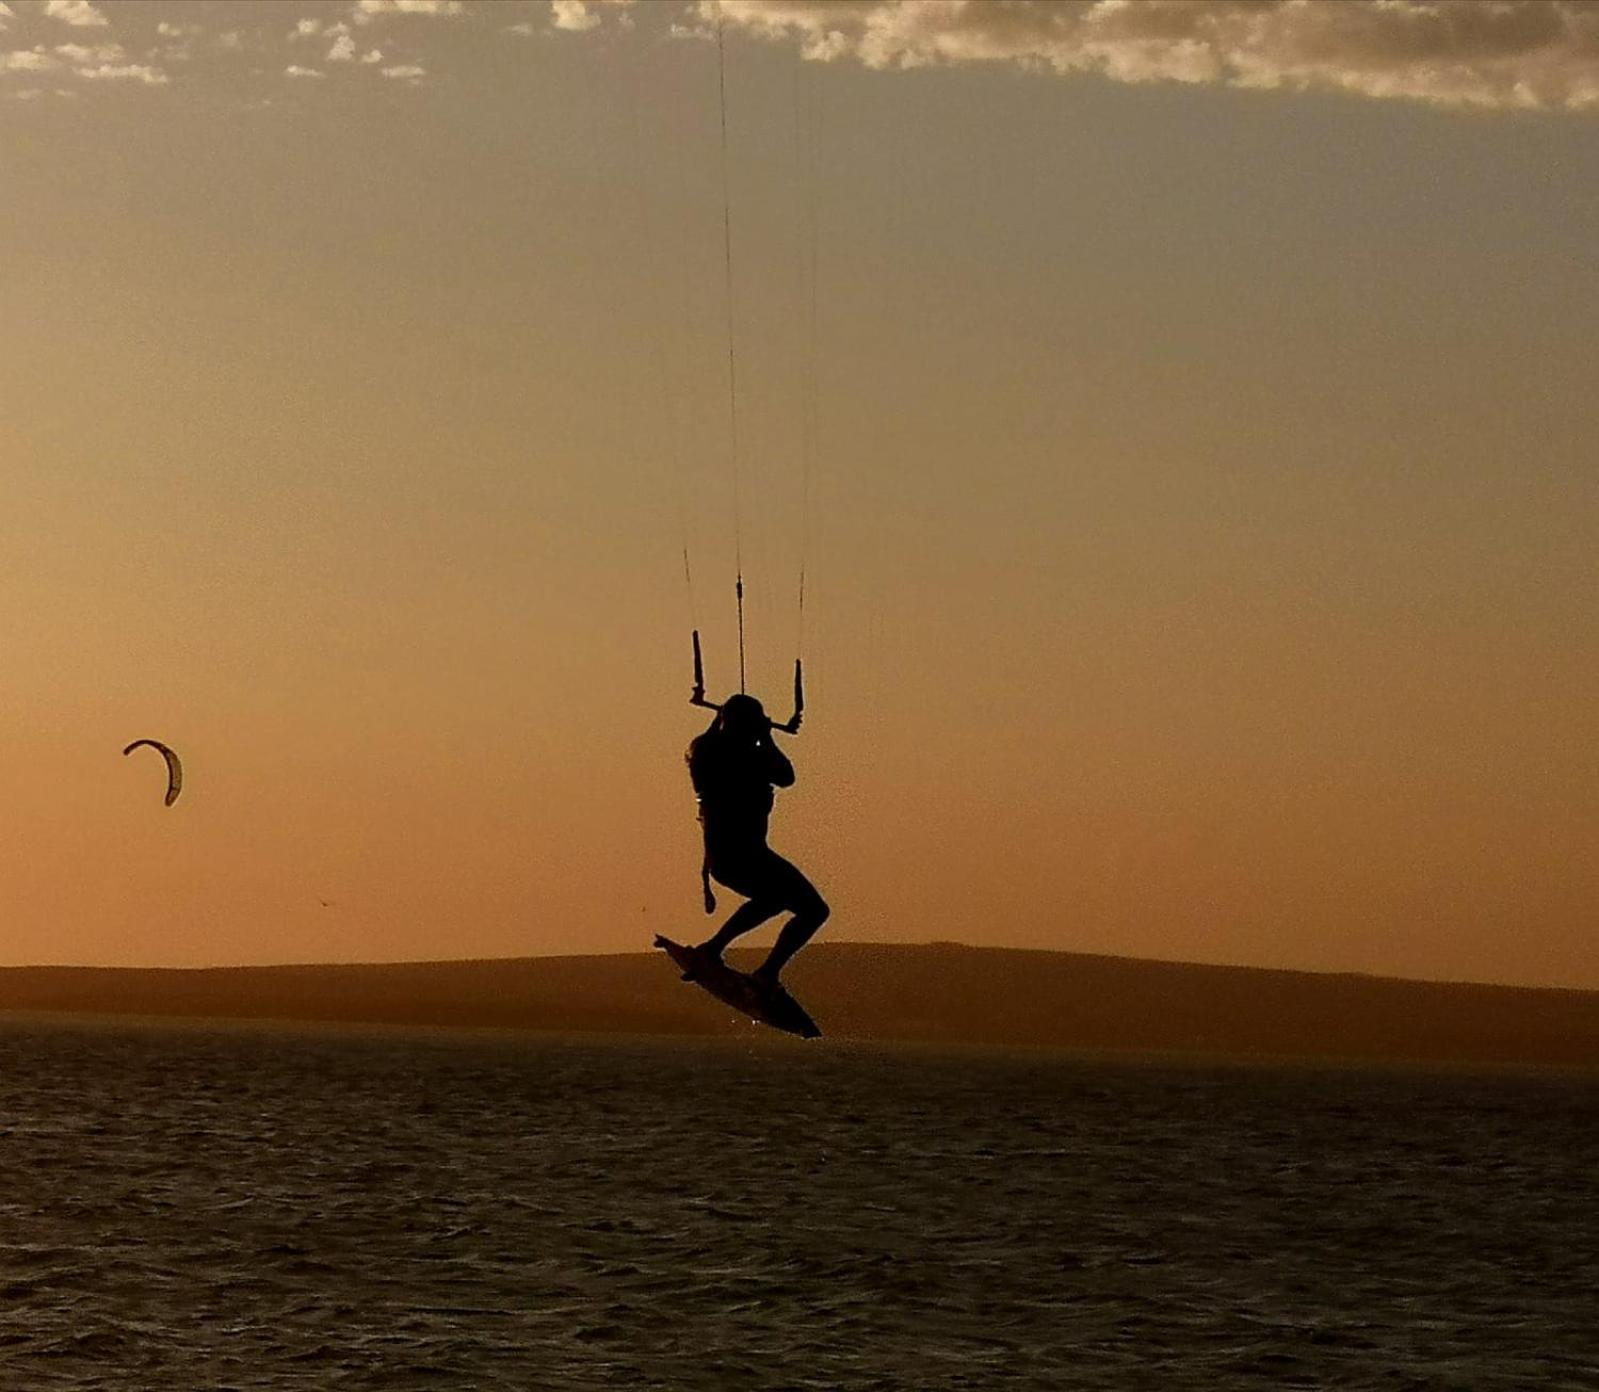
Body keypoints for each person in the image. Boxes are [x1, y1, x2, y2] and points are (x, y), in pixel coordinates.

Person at [685, 693, 829, 988]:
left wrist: (757, 734)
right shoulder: (724, 753)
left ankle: (725, 954)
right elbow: (784, 775)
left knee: (793, 904)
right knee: (802, 906)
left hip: (745, 856)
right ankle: (752, 966)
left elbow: (785, 776)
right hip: (736, 857)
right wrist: (766, 737)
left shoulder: (724, 749)